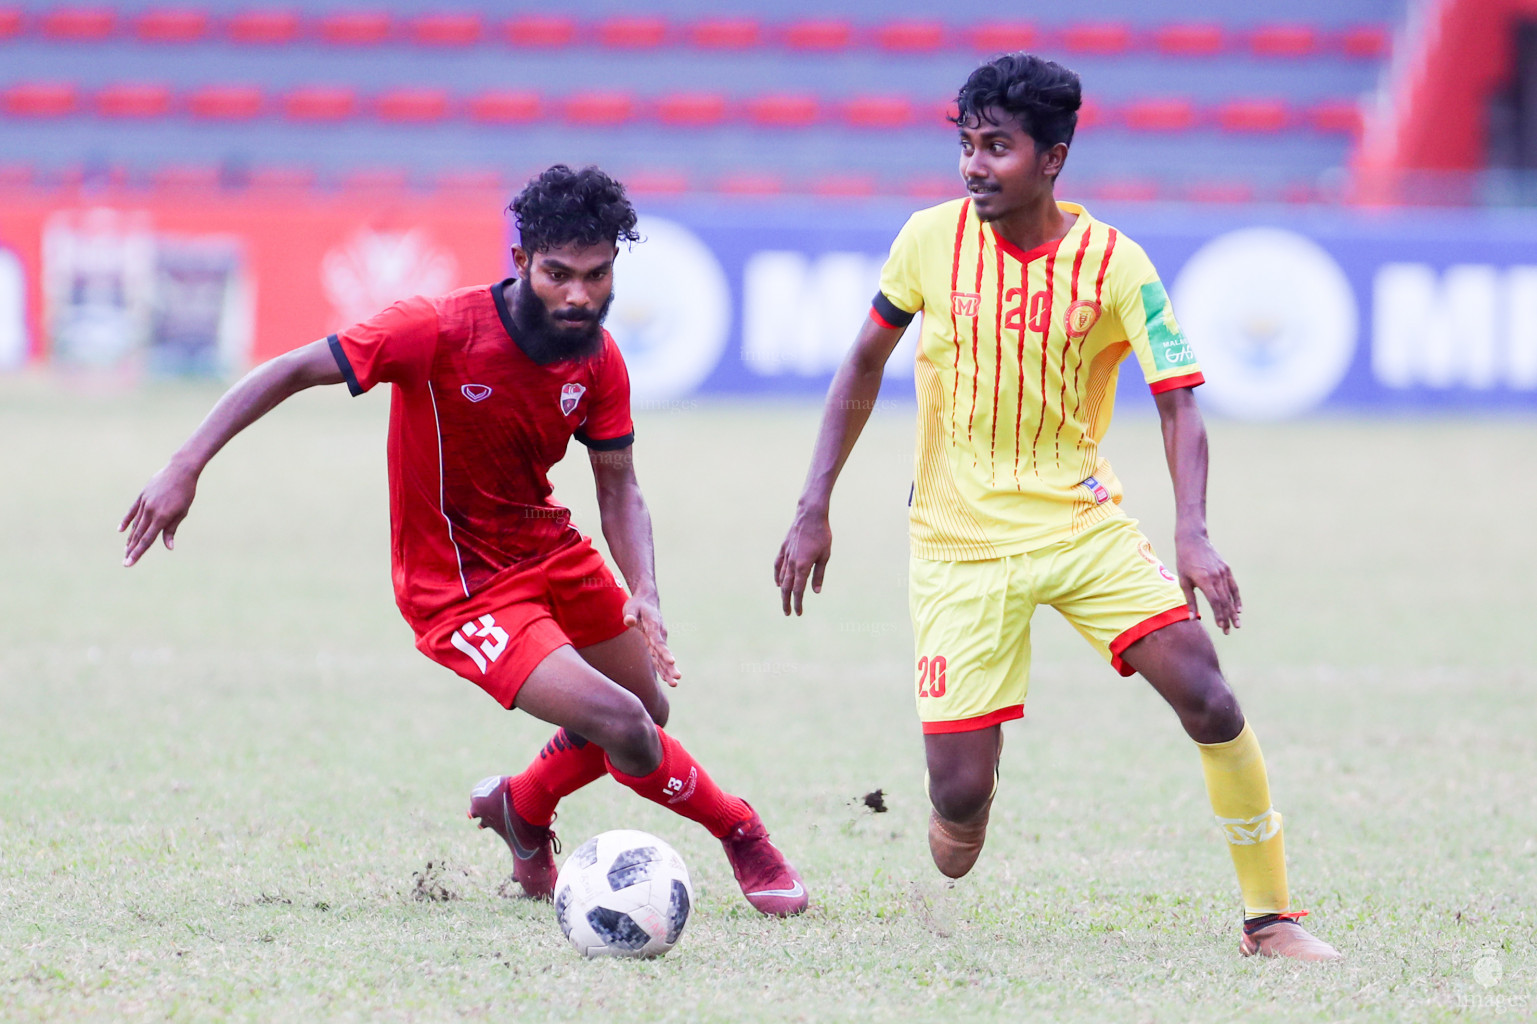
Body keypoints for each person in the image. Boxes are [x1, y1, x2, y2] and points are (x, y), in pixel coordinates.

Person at [120, 164, 808, 917]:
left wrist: (643, 589)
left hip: (549, 549)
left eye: (596, 274)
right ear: (520, 262)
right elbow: (292, 369)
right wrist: (185, 466)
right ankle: (742, 832)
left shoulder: (599, 359)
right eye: (557, 274)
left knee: (648, 711)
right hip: (460, 586)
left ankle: (522, 804)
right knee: (622, 726)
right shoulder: (435, 329)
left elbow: (619, 484)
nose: (578, 294)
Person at [773, 55, 1337, 958]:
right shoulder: (926, 239)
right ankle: (970, 784)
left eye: (996, 147)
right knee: (955, 821)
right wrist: (813, 505)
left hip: (1081, 526)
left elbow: (1177, 400)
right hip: (955, 544)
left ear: (1052, 158)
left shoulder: (1118, 264)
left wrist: (1192, 534)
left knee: (1208, 697)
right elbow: (863, 363)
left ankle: (1268, 919)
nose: (973, 165)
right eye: (965, 145)